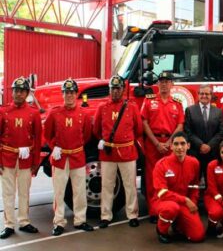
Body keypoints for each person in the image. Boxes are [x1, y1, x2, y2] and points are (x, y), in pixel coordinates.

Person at [44, 79, 94, 236]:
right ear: (63, 94)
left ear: (76, 94)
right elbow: (47, 134)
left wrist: (75, 148)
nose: (69, 95)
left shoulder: (83, 114)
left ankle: (80, 220)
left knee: (79, 191)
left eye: (72, 92)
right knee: (59, 192)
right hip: (60, 158)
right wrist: (55, 147)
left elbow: (86, 136)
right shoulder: (54, 112)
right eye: (66, 92)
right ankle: (59, 222)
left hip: (77, 157)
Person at [94, 75, 143, 229]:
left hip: (127, 152)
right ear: (109, 90)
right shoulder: (102, 107)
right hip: (109, 153)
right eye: (112, 89)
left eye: (118, 88)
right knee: (107, 185)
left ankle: (132, 214)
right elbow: (96, 129)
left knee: (130, 185)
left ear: (122, 90)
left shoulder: (132, 107)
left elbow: (139, 129)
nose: (115, 91)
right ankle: (106, 215)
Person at [0, 77, 41, 239]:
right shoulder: (3, 112)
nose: (18, 94)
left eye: (21, 91)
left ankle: (24, 221)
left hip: (26, 159)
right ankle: (9, 224)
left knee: (24, 191)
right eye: (15, 91)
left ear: (26, 93)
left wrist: (36, 161)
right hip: (7, 157)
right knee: (8, 192)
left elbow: (38, 139)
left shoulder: (34, 113)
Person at [141, 71, 184, 223]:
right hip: (153, 144)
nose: (164, 84)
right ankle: (154, 211)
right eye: (161, 81)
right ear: (157, 84)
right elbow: (144, 123)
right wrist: (157, 143)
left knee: (170, 178)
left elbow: (180, 125)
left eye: (167, 81)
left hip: (170, 145)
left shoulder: (177, 104)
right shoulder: (149, 101)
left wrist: (169, 143)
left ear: (172, 84)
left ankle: (171, 208)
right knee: (153, 178)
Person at [153, 131, 205, 244]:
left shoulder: (194, 163)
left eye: (182, 143)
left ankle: (177, 224)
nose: (179, 147)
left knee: (198, 236)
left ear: (188, 145)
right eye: (176, 144)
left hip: (183, 203)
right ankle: (161, 230)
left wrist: (193, 201)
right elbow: (162, 193)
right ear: (171, 146)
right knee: (171, 208)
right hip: (164, 201)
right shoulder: (161, 164)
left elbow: (194, 186)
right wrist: (185, 200)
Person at [184, 84, 223, 186]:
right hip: (195, 151)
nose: (204, 96)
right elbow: (188, 131)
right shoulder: (190, 110)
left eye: (207, 94)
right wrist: (200, 145)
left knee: (211, 181)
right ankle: (195, 200)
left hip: (212, 152)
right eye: (202, 93)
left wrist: (209, 146)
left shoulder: (218, 112)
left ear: (211, 96)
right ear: (198, 95)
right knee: (194, 179)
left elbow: (221, 132)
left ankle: (210, 200)